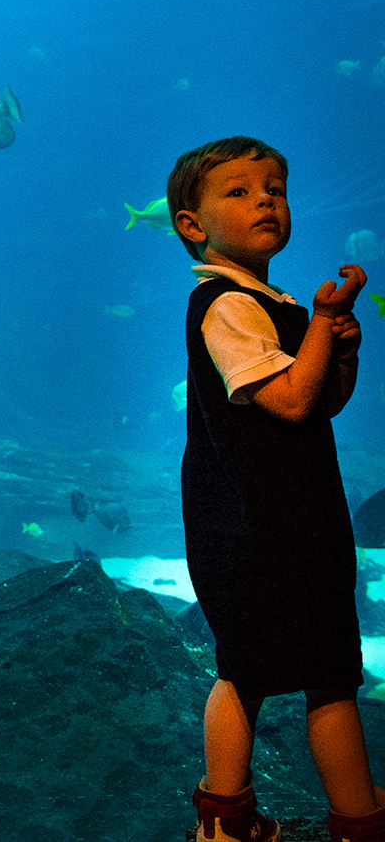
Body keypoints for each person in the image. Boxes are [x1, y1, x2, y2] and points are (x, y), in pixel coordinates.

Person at [169, 135, 383, 842]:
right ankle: (232, 818)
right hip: (250, 526)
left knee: (325, 667)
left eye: (276, 187)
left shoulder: (273, 301)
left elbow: (323, 400)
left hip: (301, 520)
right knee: (252, 669)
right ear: (191, 224)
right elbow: (291, 401)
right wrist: (321, 324)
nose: (266, 198)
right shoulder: (224, 304)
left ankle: (347, 815)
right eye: (239, 190)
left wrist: (339, 347)